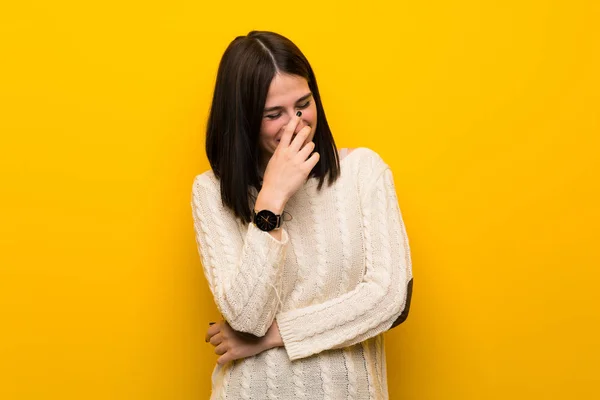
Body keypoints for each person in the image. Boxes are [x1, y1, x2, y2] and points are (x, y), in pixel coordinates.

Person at [191, 30, 413, 399]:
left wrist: (274, 337)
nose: (295, 124)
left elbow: (389, 300)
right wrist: (271, 200)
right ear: (243, 120)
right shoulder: (211, 192)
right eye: (273, 114)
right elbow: (247, 319)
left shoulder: (362, 172)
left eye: (303, 104)